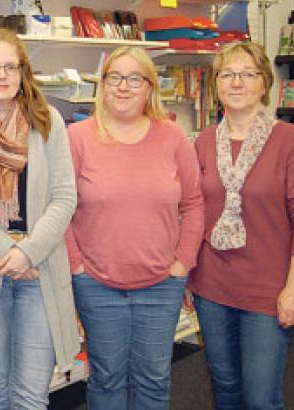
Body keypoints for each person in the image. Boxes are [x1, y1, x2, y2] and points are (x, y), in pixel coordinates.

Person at [0, 29, 80, 409]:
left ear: (23, 73)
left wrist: (29, 253)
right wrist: (8, 251)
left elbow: (64, 197)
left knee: (30, 395)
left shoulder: (47, 122)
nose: (1, 75)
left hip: (40, 273)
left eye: (10, 66)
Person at [66, 46, 204, 409]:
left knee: (154, 381)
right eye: (114, 77)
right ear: (103, 85)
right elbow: (62, 207)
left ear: (149, 88)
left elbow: (193, 204)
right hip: (96, 284)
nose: (123, 87)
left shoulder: (173, 137)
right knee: (106, 378)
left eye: (134, 79)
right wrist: (76, 266)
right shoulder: (77, 137)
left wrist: (182, 265)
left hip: (161, 284)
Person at [189, 41, 294, 410]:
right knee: (226, 390)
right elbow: (194, 211)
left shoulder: (291, 141)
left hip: (268, 290)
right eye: (228, 74)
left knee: (262, 398)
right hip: (212, 288)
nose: (237, 82)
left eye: (248, 74)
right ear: (216, 85)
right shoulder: (202, 142)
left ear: (265, 83)